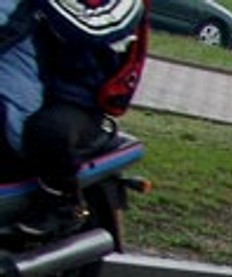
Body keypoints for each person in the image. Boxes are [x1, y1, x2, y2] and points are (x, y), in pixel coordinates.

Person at [0, 0, 147, 238]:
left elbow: (96, 26)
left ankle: (63, 204)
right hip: (34, 82)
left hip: (78, 97)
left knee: (48, 131)